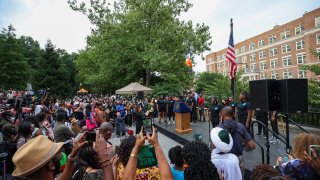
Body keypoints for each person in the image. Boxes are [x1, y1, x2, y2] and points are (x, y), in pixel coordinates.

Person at [218, 106, 256, 175]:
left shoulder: (218, 128)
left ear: (222, 114)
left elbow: (213, 147)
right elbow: (252, 145)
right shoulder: (241, 126)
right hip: (238, 159)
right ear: (233, 114)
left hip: (224, 160)